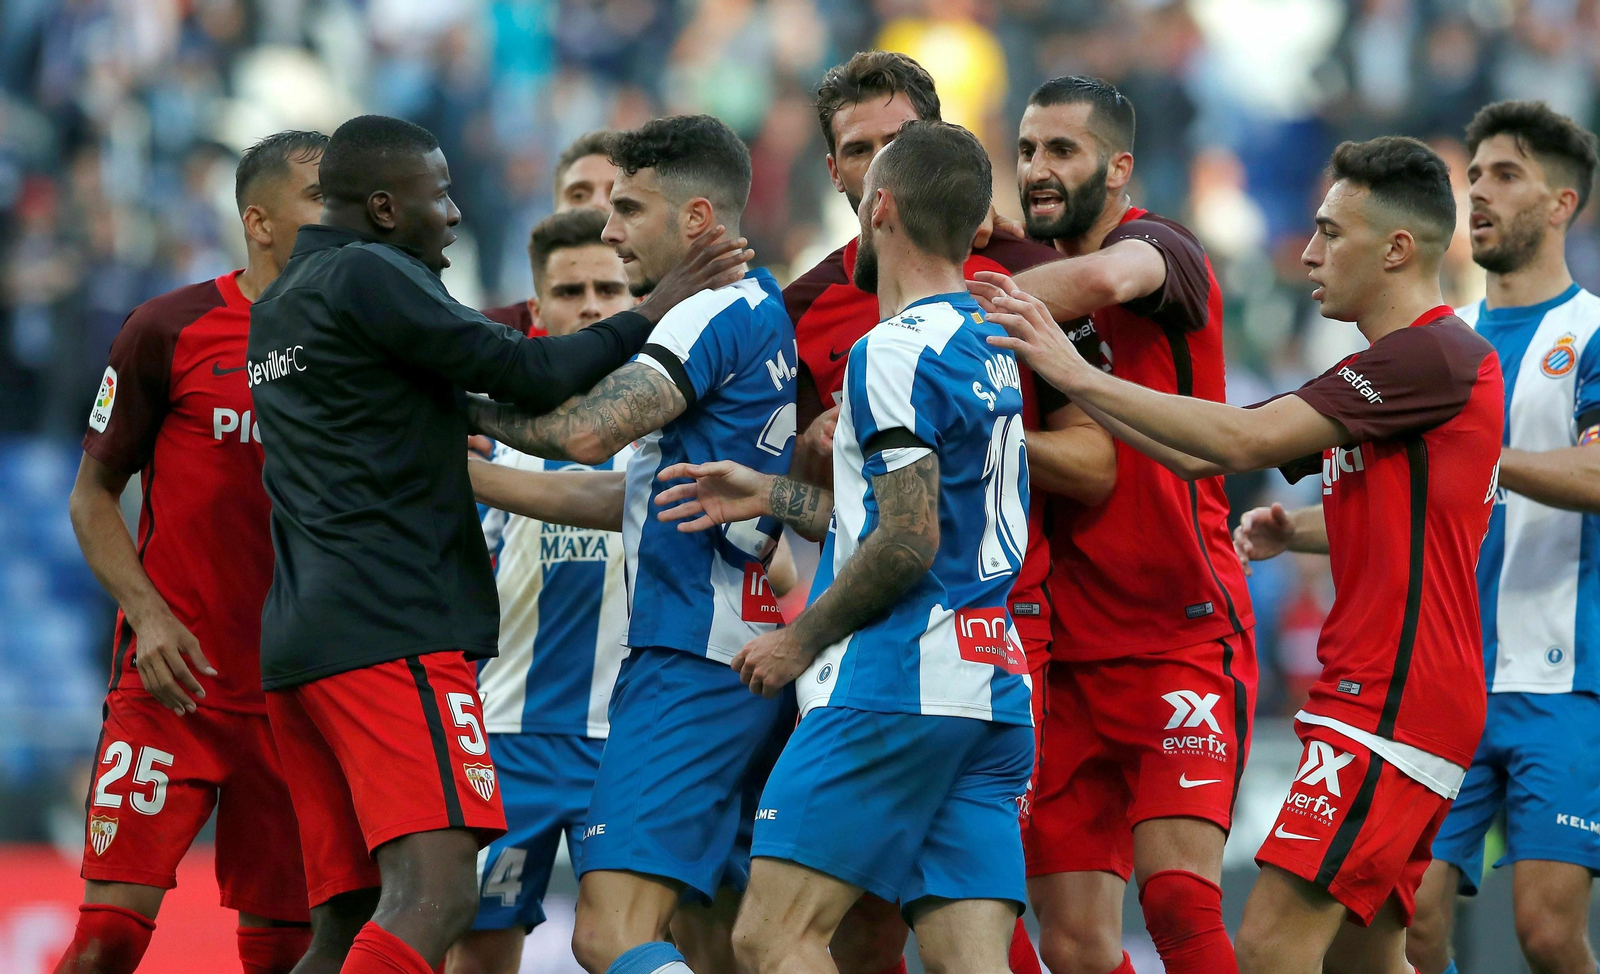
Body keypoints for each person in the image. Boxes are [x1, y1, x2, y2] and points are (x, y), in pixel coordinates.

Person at [246, 114, 750, 974]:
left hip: (304, 640)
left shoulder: (281, 304)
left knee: (348, 921)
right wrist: (658, 306)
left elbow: (402, 411)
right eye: (438, 195)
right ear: (383, 207)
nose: (453, 214)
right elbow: (531, 371)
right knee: (439, 894)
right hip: (391, 634)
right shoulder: (369, 271)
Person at [990, 136, 1504, 974]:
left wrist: (1071, 374)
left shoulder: (1431, 355)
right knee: (1365, 964)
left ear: (1397, 249)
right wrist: (1296, 530)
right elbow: (1204, 460)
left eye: (1331, 232)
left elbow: (1239, 440)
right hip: (1392, 696)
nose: (1308, 253)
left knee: (1267, 949)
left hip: (1392, 702)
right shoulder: (1394, 368)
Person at [650, 118, 1036, 974]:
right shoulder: (989, 343)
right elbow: (913, 520)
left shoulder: (890, 350)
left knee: (771, 937)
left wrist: (799, 640)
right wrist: (771, 494)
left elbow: (907, 540)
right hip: (989, 688)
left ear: (881, 207)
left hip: (891, 685)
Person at [1236, 102, 1600, 974]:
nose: (1482, 193)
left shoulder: (1581, 333)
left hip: (1556, 672)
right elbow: (1414, 507)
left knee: (1548, 931)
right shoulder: (1442, 336)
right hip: (1448, 666)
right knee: (1411, 930)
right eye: (1473, 176)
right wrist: (1301, 530)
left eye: (1505, 175)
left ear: (1562, 203)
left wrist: (1477, 451)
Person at [783, 51, 1113, 974]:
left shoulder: (1026, 274)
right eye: (859, 150)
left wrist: (953, 436)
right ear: (837, 172)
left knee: (1006, 931)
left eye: (899, 142)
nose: (879, 166)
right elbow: (821, 515)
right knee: (867, 930)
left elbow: (1096, 464)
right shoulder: (804, 307)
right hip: (865, 644)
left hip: (1004, 626)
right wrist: (821, 461)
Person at [460, 114, 796, 974]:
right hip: (721, 649)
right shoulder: (760, 306)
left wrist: (452, 406)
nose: (609, 232)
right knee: (712, 935)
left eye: (629, 209)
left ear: (695, 220)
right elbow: (636, 494)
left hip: (687, 655)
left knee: (610, 934)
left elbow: (585, 435)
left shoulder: (700, 313)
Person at [996, 76, 1256, 974]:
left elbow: (1109, 277)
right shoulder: (1022, 277)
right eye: (1026, 149)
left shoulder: (1162, 247)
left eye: (1062, 150)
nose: (1037, 167)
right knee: (1072, 943)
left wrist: (948, 307)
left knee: (1178, 900)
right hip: (1065, 650)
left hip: (1181, 630)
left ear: (1118, 168)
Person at [54, 131, 327, 974]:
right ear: (259, 221)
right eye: (320, 199)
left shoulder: (365, 346)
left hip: (300, 696)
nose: (342, 217)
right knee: (105, 939)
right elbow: (92, 497)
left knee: (283, 955)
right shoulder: (169, 328)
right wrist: (148, 616)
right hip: (174, 684)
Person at [445, 208, 639, 974]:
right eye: (569, 291)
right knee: (478, 952)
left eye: (608, 290)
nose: (590, 306)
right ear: (537, 309)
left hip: (626, 743)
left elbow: (776, 572)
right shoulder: (489, 433)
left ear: (637, 302)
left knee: (625, 943)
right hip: (505, 737)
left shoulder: (668, 429)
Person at [483, 131, 617, 336]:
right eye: (579, 195)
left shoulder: (667, 331)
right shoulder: (495, 334)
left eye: (616, 195)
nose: (598, 205)